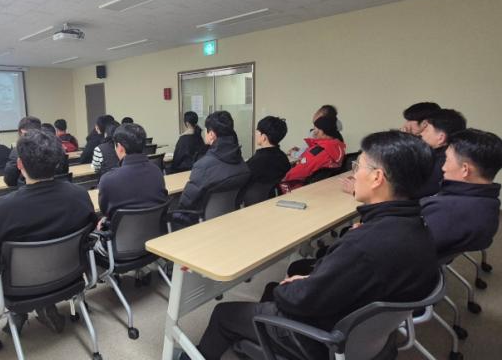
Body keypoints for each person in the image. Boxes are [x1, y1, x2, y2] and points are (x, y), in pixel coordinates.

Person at [180, 131, 439, 360]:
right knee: (276, 286)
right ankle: (256, 339)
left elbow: (303, 299)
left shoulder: (364, 244)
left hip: (320, 338)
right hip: (359, 332)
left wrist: (293, 286)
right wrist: (311, 279)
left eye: (358, 165)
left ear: (377, 178)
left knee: (225, 312)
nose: (353, 173)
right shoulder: (418, 227)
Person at [0, 130, 97, 334]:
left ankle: (21, 311)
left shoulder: (1, 210)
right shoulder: (79, 195)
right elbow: (90, 231)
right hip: (70, 277)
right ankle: (44, 306)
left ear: (19, 165)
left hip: (19, 287)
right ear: (58, 162)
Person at [421, 128, 502, 258]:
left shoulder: (446, 211)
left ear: (465, 169)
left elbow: (405, 249)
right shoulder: (490, 202)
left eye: (447, 160)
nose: (443, 167)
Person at [174, 111, 250, 227]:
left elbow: (185, 203)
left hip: (202, 223)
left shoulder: (203, 166)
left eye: (206, 130)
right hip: (230, 219)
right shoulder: (241, 162)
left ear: (212, 134)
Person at [97, 123, 167, 221]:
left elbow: (105, 211)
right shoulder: (156, 171)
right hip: (156, 228)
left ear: (120, 147)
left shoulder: (107, 180)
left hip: (121, 230)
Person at [280, 116, 345, 192]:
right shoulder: (337, 147)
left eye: (315, 128)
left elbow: (300, 170)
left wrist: (284, 178)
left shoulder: (318, 151)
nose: (313, 131)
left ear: (321, 131)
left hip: (300, 189)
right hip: (324, 187)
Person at [416, 108, 466, 198]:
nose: (421, 134)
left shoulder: (443, 162)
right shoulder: (457, 156)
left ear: (441, 138)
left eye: (426, 129)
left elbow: (419, 192)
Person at [4, 116, 68, 186]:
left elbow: (9, 180)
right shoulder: (53, 144)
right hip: (56, 187)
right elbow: (63, 172)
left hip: (28, 189)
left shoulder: (17, 151)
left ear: (21, 131)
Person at [246, 116, 290, 186]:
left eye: (257, 131)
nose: (255, 134)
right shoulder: (283, 158)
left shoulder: (256, 162)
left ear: (263, 137)